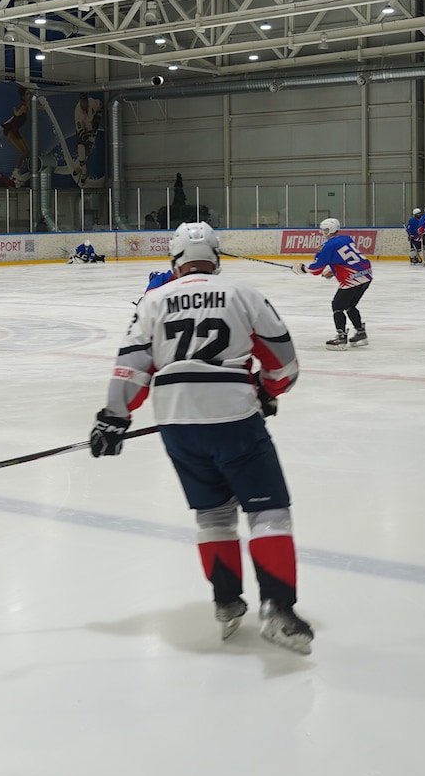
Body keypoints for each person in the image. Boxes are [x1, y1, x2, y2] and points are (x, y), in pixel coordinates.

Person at [89, 222, 309, 654]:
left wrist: (114, 418)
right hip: (234, 415)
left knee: (212, 515)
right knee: (268, 513)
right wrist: (267, 391)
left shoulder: (154, 300)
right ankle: (278, 608)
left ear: (175, 261)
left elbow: (131, 366)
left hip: (176, 421)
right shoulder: (244, 294)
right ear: (216, 257)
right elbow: (283, 363)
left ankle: (227, 603)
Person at [296, 217, 371, 349]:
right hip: (366, 274)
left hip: (352, 278)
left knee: (337, 306)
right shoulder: (346, 239)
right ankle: (361, 333)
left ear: (330, 230)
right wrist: (332, 270)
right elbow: (346, 258)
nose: (322, 233)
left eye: (325, 230)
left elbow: (315, 269)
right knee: (350, 305)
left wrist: (303, 269)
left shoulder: (327, 246)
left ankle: (341, 338)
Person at [72, 95, 104, 185]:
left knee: (87, 150)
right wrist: (86, 139)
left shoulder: (93, 102)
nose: (85, 103)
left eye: (85, 101)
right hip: (82, 130)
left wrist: (98, 118)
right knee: (81, 148)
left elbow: (100, 105)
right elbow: (80, 129)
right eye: (83, 101)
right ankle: (84, 172)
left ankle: (80, 166)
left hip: (92, 128)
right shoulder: (77, 112)